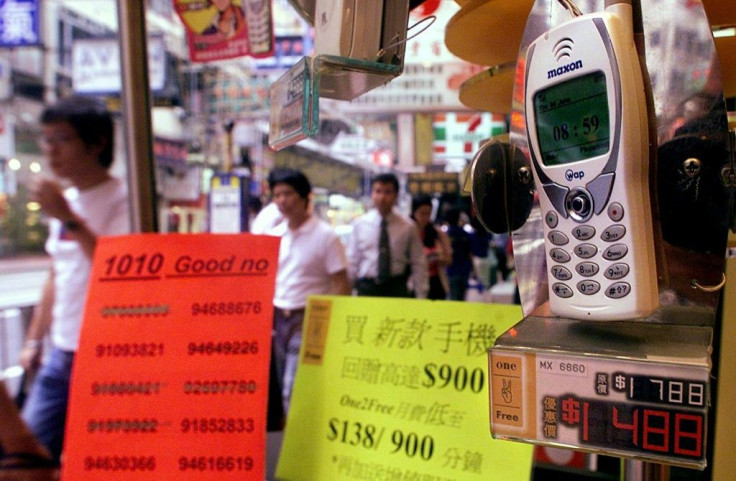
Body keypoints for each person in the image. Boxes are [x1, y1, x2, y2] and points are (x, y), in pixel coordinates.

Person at [19, 95, 131, 461]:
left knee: (103, 456)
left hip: (109, 355)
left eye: (62, 139)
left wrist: (67, 216)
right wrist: (34, 342)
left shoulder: (125, 200)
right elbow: (57, 274)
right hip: (62, 352)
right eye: (46, 139)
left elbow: (119, 268)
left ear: (96, 143)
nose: (51, 150)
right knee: (28, 455)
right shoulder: (66, 202)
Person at [265, 168, 350, 416]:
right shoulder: (274, 236)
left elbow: (341, 284)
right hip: (279, 318)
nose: (282, 200)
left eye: (288, 194)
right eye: (277, 195)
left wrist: (336, 325)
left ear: (305, 197)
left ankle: (298, 447)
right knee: (284, 383)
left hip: (310, 318)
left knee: (293, 387)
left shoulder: (326, 237)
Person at [347, 173, 428, 298]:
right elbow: (353, 260)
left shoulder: (408, 227)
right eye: (378, 191)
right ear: (371, 194)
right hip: (367, 288)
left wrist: (421, 295)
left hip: (396, 288)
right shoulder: (360, 225)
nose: (382, 197)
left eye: (387, 192)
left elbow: (418, 262)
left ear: (395, 195)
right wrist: (347, 292)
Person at [411, 195, 451, 300]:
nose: (425, 217)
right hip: (413, 282)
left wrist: (436, 257)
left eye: (428, 213)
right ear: (414, 212)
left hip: (435, 282)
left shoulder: (437, 233)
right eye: (422, 213)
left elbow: (449, 258)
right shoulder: (408, 232)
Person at [444, 207, 474, 301]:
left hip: (452, 269)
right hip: (465, 268)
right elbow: (470, 253)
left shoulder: (445, 235)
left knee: (453, 296)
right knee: (462, 297)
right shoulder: (465, 234)